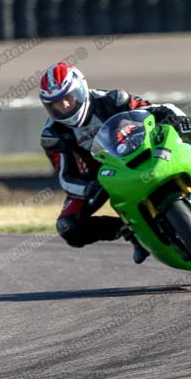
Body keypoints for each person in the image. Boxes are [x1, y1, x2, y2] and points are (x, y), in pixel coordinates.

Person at [39, 62, 191, 263]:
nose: (64, 106)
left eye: (68, 98)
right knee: (68, 226)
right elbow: (65, 176)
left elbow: (154, 109)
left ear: (81, 89)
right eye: (56, 104)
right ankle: (129, 229)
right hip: (99, 177)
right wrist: (87, 188)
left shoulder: (113, 99)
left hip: (138, 149)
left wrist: (177, 117)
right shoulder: (52, 135)